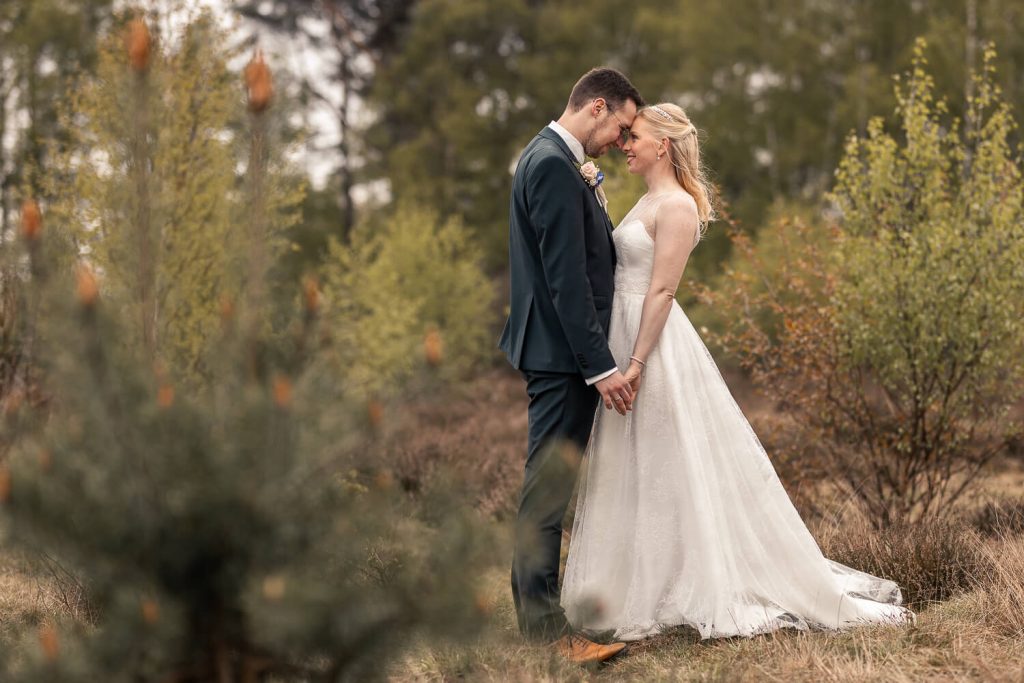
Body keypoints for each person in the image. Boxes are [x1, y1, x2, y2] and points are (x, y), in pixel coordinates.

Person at [560, 102, 914, 641]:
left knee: (664, 461)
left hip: (651, 346)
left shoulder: (676, 206)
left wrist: (635, 362)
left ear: (664, 146)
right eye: (625, 136)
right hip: (623, 333)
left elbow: (662, 290)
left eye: (634, 137)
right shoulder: (648, 200)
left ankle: (683, 584)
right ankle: (641, 582)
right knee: (636, 467)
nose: (624, 145)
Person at [498, 67, 643, 664]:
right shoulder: (554, 165)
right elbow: (565, 281)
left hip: (557, 353)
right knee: (547, 494)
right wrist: (600, 366)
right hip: (562, 358)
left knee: (548, 491)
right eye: (622, 126)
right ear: (598, 107)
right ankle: (547, 637)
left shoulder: (550, 156)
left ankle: (545, 627)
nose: (621, 140)